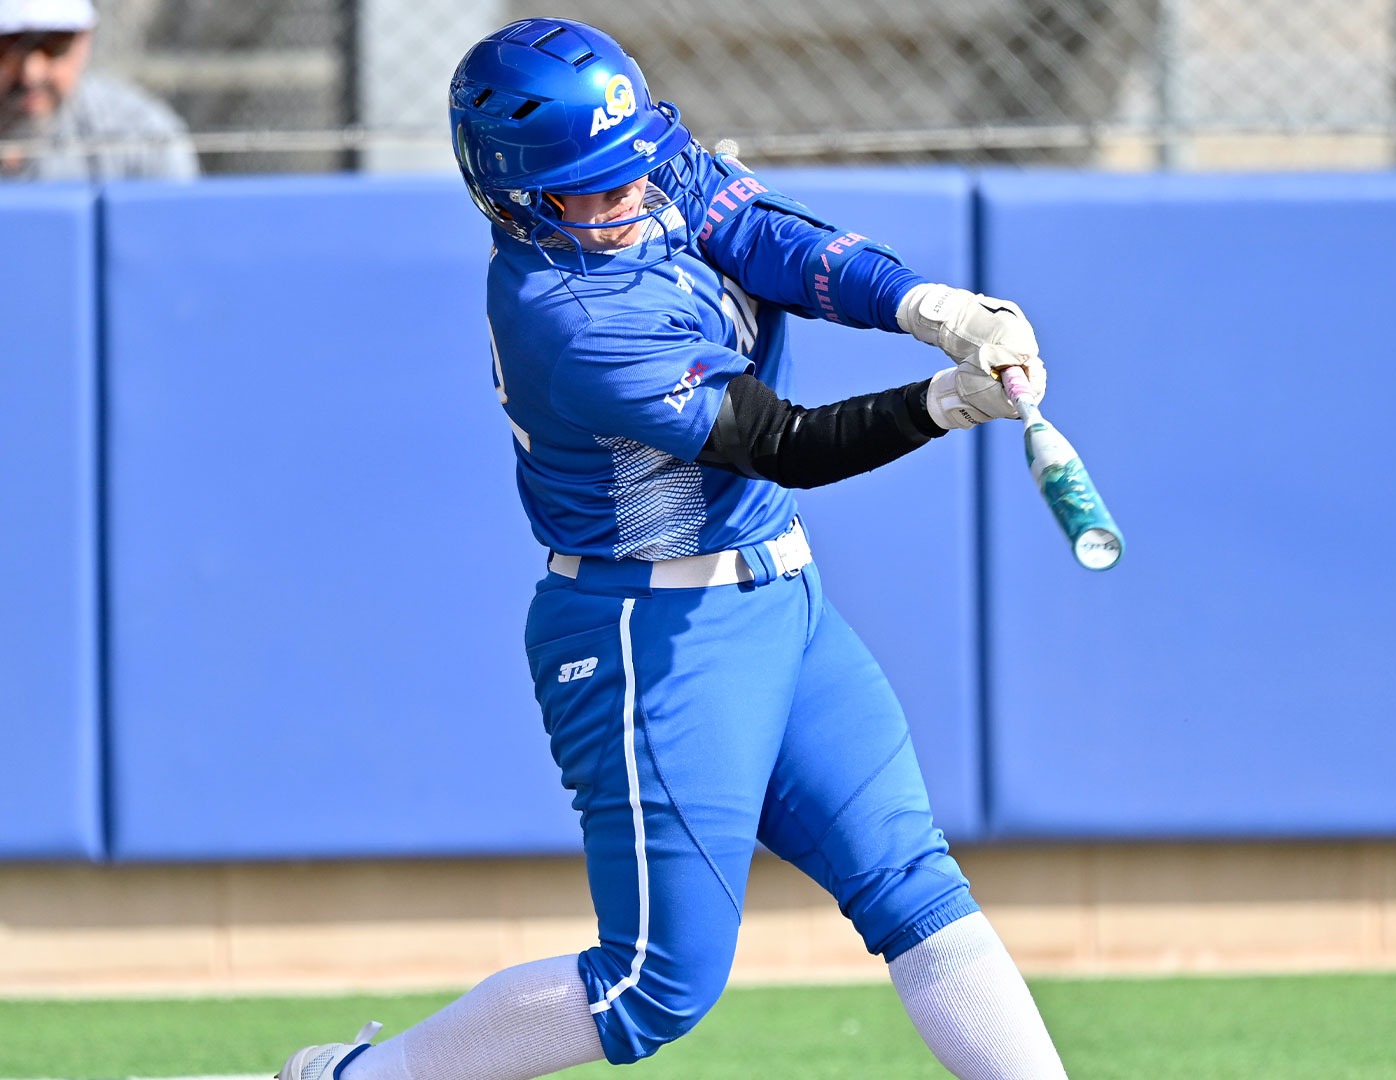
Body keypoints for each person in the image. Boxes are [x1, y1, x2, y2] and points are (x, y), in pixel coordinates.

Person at [277, 16, 1068, 1080]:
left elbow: (774, 242)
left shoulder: (636, 169)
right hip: (652, 630)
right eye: (586, 190)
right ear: (513, 195)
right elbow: (784, 443)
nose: (624, 198)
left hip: (782, 601)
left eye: (631, 171)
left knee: (915, 884)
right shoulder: (569, 318)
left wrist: (929, 307)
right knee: (652, 986)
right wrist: (944, 401)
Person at [0, 0, 196, 181]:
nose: (32, 72)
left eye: (54, 43)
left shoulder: (141, 134)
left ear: (85, 40)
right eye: (9, 45)